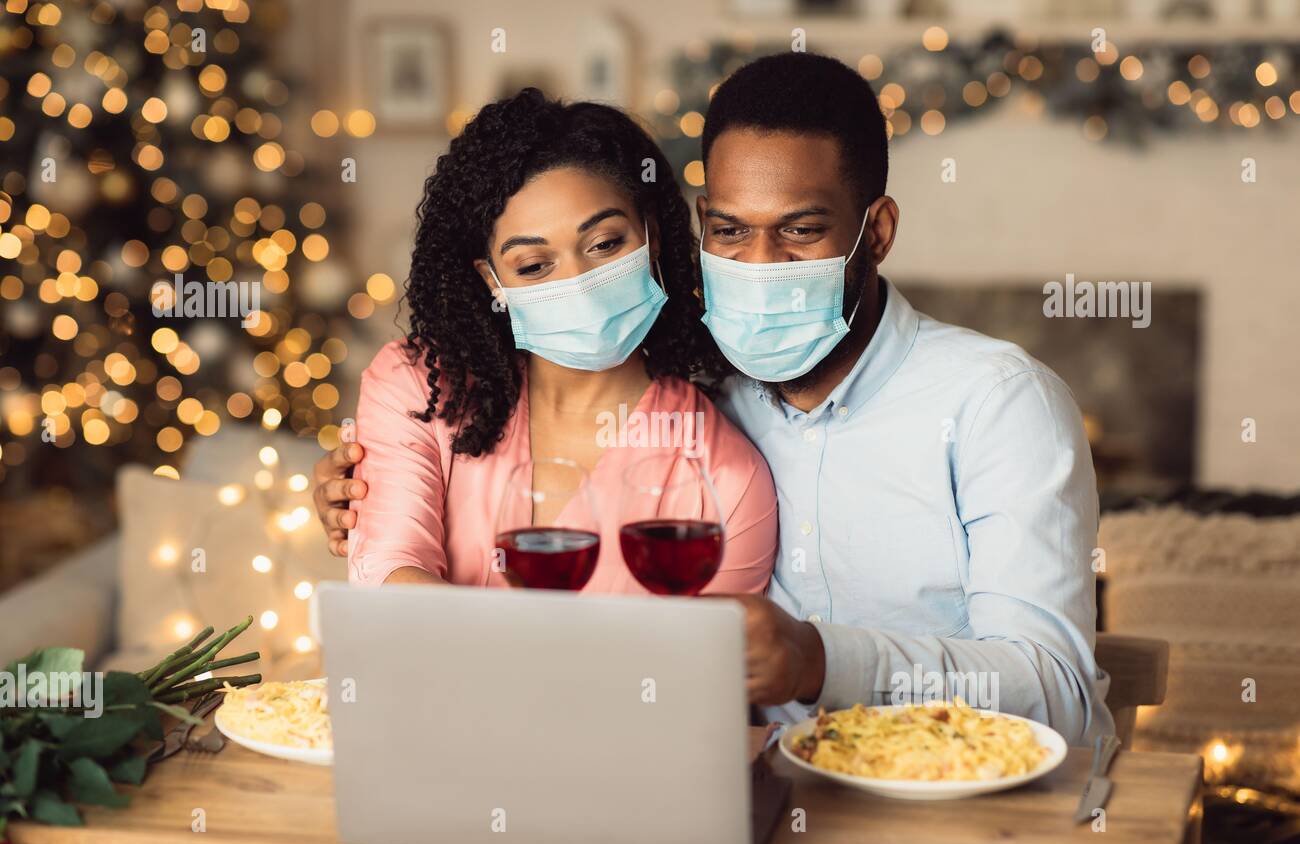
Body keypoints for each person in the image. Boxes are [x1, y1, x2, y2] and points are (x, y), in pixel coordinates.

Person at [316, 55, 1113, 744]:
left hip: (987, 806)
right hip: (773, 799)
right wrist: (359, 498)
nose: (761, 267)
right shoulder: (713, 382)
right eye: (730, 230)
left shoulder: (997, 405)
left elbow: (1062, 697)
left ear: (877, 232)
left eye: (801, 231)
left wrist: (818, 660)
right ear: (697, 227)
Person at [342, 88, 777, 595]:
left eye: (605, 244)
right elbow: (391, 579)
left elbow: (704, 660)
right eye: (533, 266)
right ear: (492, 281)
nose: (579, 283)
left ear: (651, 236)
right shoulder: (416, 390)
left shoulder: (725, 476)